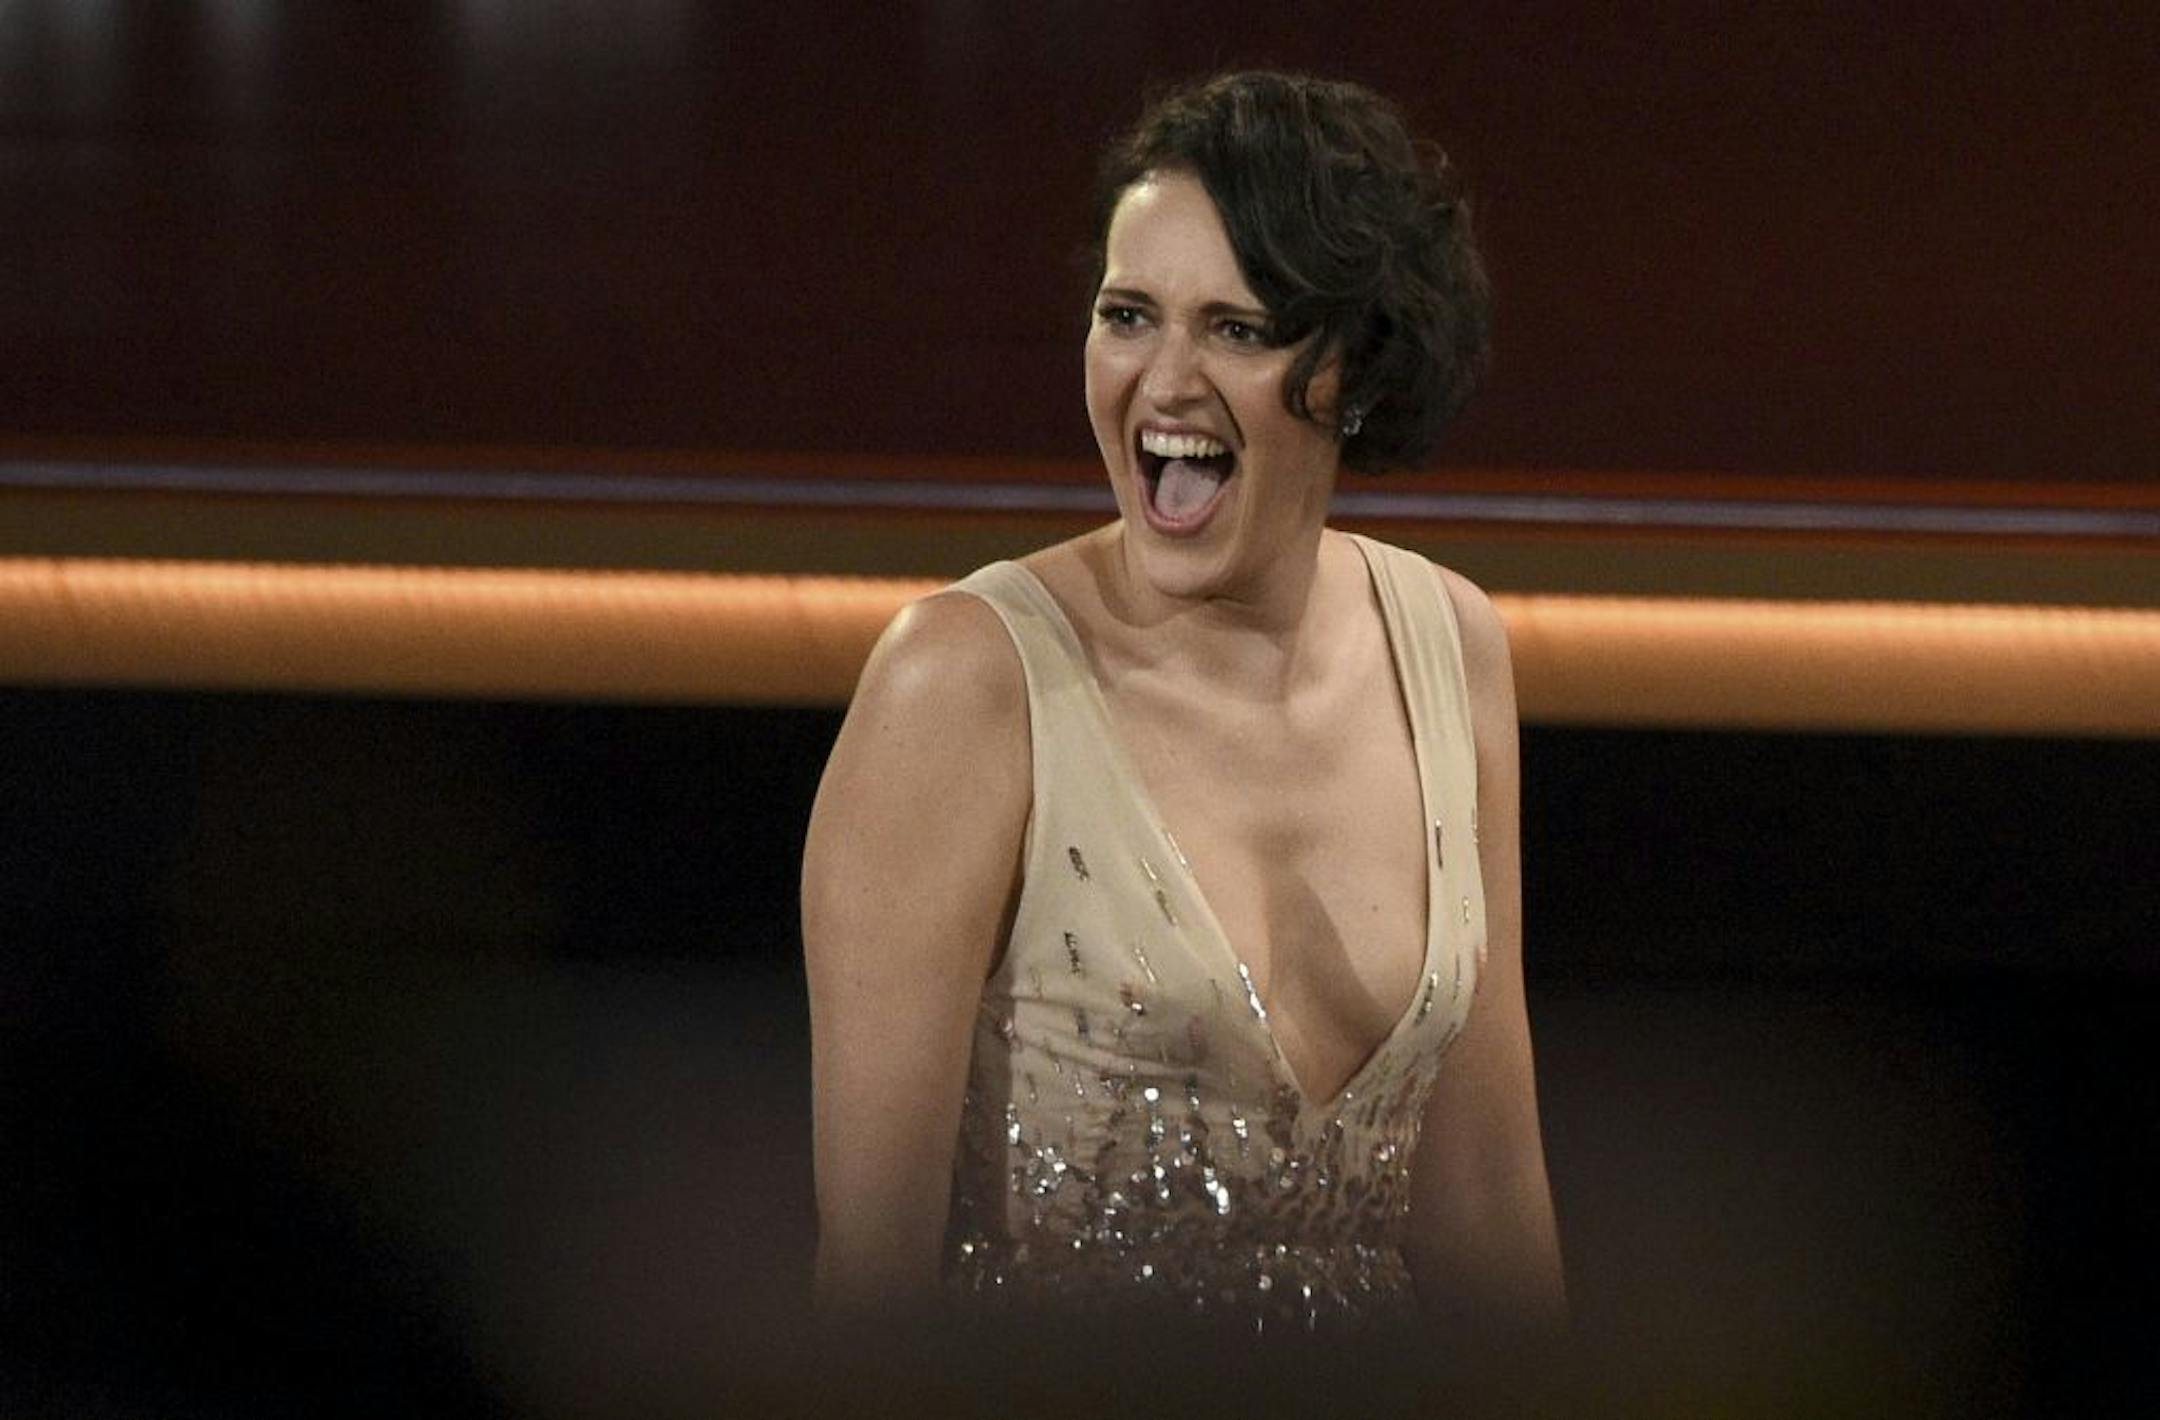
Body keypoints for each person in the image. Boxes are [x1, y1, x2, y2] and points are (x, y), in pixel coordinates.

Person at [802, 71, 1565, 1340]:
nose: (1163, 381)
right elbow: (871, 1281)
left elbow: (1487, 1197)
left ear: (1358, 370)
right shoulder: (961, 686)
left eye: (1237, 328)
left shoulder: (1454, 648)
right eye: (1128, 315)